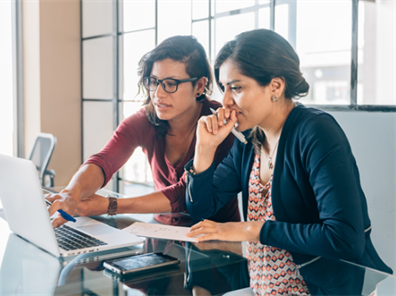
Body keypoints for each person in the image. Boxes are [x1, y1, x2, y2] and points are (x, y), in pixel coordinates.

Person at [184, 29, 392, 295]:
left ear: (275, 86)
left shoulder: (316, 132)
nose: (225, 101)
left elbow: (344, 239)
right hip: (263, 289)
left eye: (236, 88)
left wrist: (251, 229)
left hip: (318, 290)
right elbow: (201, 208)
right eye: (224, 88)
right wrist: (204, 150)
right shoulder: (249, 140)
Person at [46, 35, 240, 228]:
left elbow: (184, 195)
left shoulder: (221, 125)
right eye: (154, 81)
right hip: (160, 231)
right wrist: (71, 194)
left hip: (216, 242)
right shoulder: (146, 119)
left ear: (199, 86)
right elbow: (104, 161)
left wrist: (110, 205)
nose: (158, 94)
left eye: (171, 84)